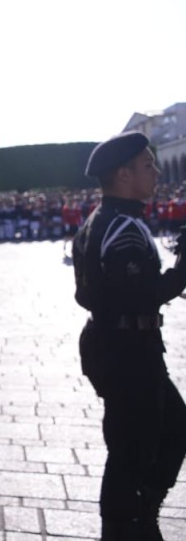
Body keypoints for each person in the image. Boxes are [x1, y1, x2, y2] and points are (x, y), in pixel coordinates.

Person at [73, 131, 186, 541]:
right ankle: (125, 526)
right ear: (123, 174)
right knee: (130, 449)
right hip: (127, 348)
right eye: (146, 165)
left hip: (118, 343)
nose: (155, 172)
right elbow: (140, 295)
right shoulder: (121, 226)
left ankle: (142, 509)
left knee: (171, 427)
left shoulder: (106, 219)